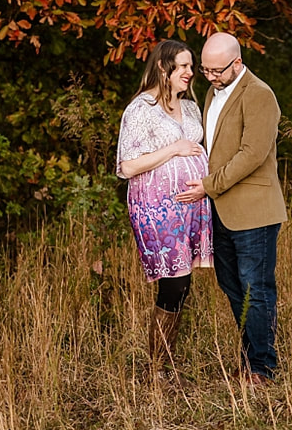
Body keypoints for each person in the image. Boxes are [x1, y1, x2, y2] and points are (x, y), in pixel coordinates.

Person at [176, 32, 287, 386]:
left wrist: (207, 186)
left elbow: (251, 155)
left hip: (254, 210)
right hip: (220, 211)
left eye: (215, 71)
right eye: (204, 70)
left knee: (256, 289)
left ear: (237, 63)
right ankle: (253, 355)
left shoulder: (260, 95)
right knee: (231, 285)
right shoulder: (212, 92)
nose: (208, 77)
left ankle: (262, 368)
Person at [116, 39, 214, 377]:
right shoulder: (141, 109)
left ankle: (165, 360)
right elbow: (127, 167)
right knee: (173, 282)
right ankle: (157, 366)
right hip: (155, 208)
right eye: (184, 66)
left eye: (190, 66)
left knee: (183, 284)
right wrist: (173, 148)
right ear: (163, 67)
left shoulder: (188, 107)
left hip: (190, 209)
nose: (190, 72)